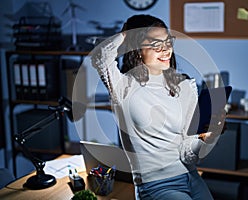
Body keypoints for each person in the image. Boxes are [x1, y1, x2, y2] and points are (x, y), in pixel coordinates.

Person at [91, 14, 224, 200]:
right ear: (137, 49)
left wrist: (206, 137)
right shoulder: (124, 87)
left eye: (168, 41)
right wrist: (127, 34)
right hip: (155, 185)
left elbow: (188, 154)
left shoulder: (184, 86)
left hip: (191, 176)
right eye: (155, 44)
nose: (166, 49)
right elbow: (101, 55)